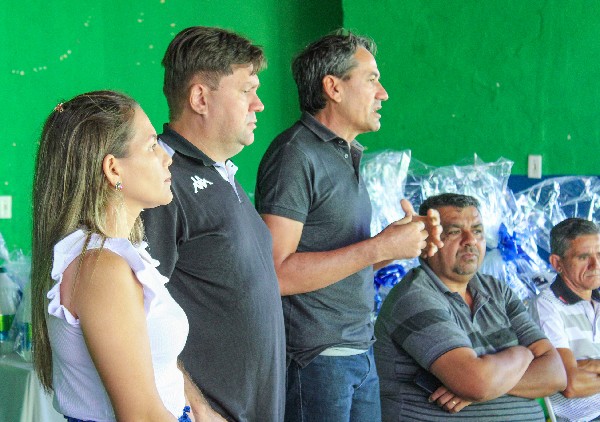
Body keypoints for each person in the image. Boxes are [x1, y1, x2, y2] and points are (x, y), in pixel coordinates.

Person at [255, 30, 442, 422]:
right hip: (314, 360)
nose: (383, 93)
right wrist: (379, 247)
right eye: (372, 79)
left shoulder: (344, 154)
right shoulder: (294, 154)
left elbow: (340, 265)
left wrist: (398, 243)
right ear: (334, 88)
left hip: (358, 351)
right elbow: (276, 272)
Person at [30, 90, 207, 421]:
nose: (167, 157)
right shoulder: (100, 267)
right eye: (152, 145)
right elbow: (141, 415)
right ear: (113, 169)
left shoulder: (111, 256)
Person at [142, 27, 285, 422]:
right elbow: (136, 318)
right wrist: (196, 406)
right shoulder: (161, 183)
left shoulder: (223, 174)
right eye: (246, 90)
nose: (259, 104)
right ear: (200, 98)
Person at [374, 193, 567, 421]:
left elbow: (557, 375)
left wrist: (488, 386)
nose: (470, 240)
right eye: (454, 232)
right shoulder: (413, 297)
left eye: (477, 231)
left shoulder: (497, 290)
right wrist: (523, 354)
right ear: (426, 242)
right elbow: (477, 383)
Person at [532, 218, 600, 421]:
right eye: (583, 257)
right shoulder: (547, 305)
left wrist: (586, 365)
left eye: (599, 254)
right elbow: (570, 383)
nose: (595, 265)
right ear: (557, 263)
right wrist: (575, 369)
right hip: (586, 417)